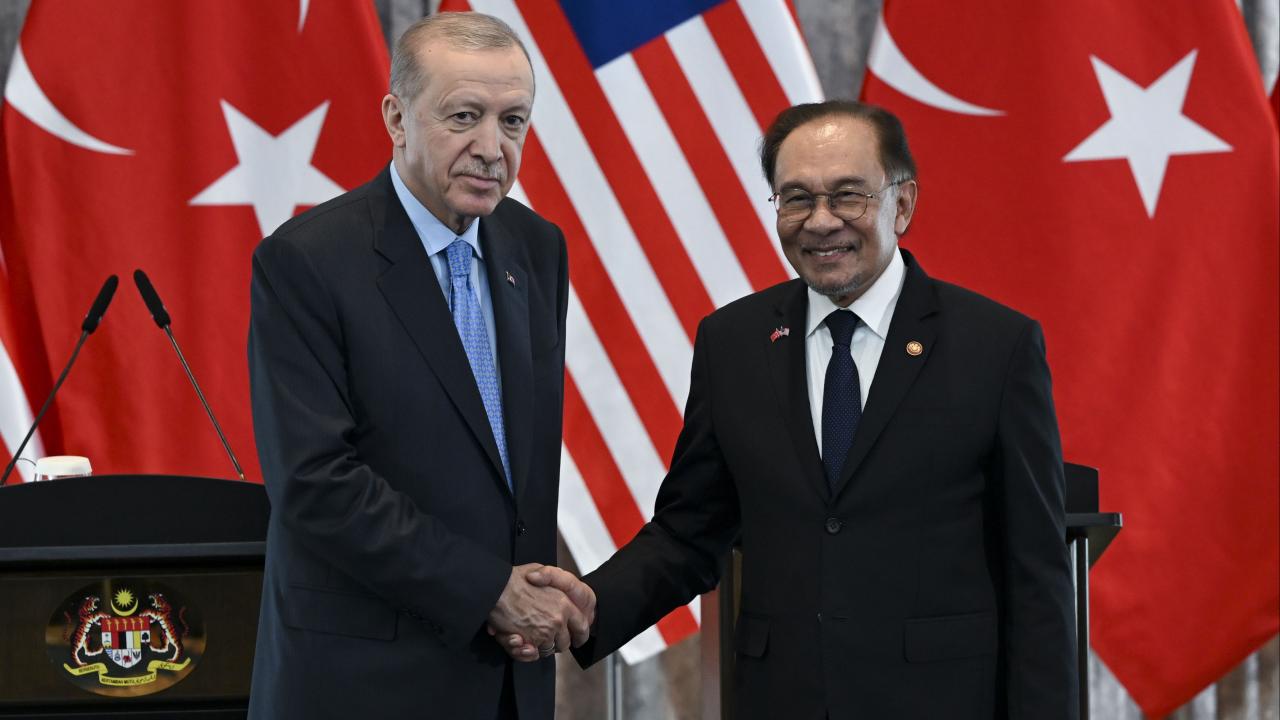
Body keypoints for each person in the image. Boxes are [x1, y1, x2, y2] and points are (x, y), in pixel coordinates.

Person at [517, 100, 1078, 718]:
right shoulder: (732, 342)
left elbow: (1037, 574)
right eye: (797, 198)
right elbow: (689, 531)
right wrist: (592, 604)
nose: (821, 221)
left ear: (902, 204)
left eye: (848, 196)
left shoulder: (995, 346)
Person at [247, 12, 593, 720]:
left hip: (508, 679)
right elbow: (316, 483)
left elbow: (510, 469)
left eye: (513, 121)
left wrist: (527, 599)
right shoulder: (307, 260)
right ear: (397, 119)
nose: (492, 148)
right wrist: (489, 591)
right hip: (364, 682)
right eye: (464, 116)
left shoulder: (537, 248)